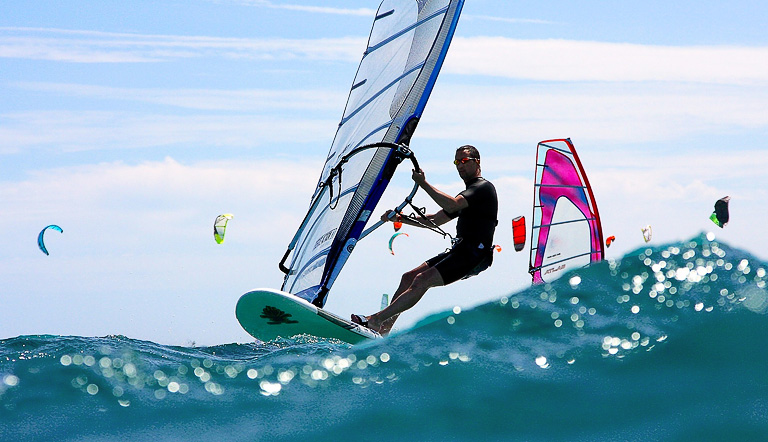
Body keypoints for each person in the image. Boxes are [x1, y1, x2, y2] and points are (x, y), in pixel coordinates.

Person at [352, 145, 498, 335]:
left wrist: (423, 183)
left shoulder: (482, 188)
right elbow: (436, 220)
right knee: (408, 278)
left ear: (477, 162)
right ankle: (384, 330)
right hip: (461, 250)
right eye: (456, 162)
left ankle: (375, 320)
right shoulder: (469, 194)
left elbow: (452, 205)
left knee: (422, 280)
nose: (460, 166)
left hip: (474, 254)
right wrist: (401, 218)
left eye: (464, 161)